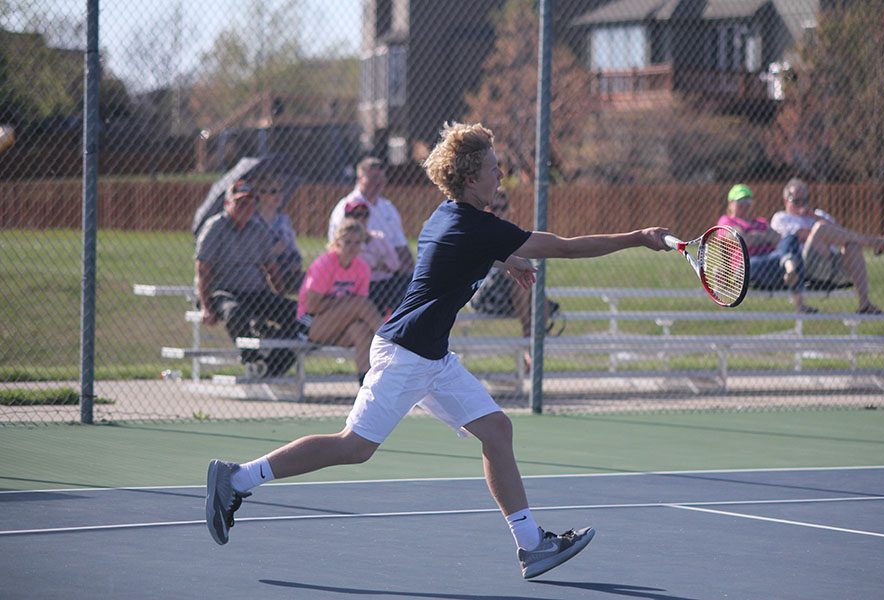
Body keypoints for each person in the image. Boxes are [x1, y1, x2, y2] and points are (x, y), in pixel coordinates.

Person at [206, 122, 671, 579]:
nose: (500, 175)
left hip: (432, 358)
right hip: (404, 354)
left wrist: (505, 257)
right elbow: (563, 248)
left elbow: (464, 249)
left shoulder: (450, 215)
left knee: (496, 430)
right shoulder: (474, 226)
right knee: (354, 447)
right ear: (471, 179)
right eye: (493, 168)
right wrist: (637, 238)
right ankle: (238, 478)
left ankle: (532, 545)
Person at [195, 179, 300, 377]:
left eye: (250, 203)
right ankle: (251, 357)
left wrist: (280, 297)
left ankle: (272, 365)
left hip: (255, 293)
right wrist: (206, 307)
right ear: (228, 204)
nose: (246, 207)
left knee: (298, 314)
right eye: (240, 202)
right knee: (235, 312)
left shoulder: (258, 228)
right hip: (223, 293)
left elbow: (271, 268)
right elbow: (202, 269)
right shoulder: (215, 227)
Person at [770, 178, 884, 315]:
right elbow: (804, 235)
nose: (802, 204)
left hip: (833, 267)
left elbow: (842, 234)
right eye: (796, 201)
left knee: (852, 245)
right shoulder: (781, 218)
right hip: (806, 267)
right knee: (821, 229)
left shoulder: (818, 215)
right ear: (786, 201)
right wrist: (821, 229)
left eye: (805, 200)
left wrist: (815, 217)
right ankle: (876, 243)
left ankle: (864, 304)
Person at [469, 190, 564, 368]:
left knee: (534, 286)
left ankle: (533, 342)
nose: (499, 211)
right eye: (494, 207)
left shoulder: (508, 229)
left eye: (503, 207)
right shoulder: (480, 226)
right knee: (523, 278)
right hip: (483, 294)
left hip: (512, 295)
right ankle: (529, 335)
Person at [295, 218, 384, 386]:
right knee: (359, 304)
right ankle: (391, 339)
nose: (352, 247)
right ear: (337, 242)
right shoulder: (325, 264)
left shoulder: (362, 267)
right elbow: (312, 306)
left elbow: (356, 311)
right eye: (348, 241)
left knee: (361, 330)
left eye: (357, 242)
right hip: (310, 325)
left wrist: (342, 305)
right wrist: (346, 304)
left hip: (339, 327)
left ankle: (365, 388)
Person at [328, 157, 414, 311]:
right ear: (360, 178)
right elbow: (340, 250)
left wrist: (409, 271)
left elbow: (401, 248)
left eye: (381, 178)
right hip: (358, 279)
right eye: (373, 178)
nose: (378, 183)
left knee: (412, 285)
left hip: (387, 277)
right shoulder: (348, 208)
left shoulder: (387, 208)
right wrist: (377, 264)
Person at [717, 183, 815, 313]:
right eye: (740, 201)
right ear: (731, 203)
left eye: (747, 200)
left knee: (791, 238)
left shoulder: (760, 221)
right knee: (792, 258)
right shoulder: (726, 221)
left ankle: (788, 265)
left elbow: (778, 239)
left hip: (772, 264)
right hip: (748, 267)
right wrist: (764, 236)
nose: (745, 204)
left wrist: (753, 236)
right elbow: (743, 241)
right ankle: (791, 274)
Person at [343, 199, 404, 314]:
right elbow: (355, 265)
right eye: (356, 215)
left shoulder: (379, 237)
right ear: (347, 217)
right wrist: (378, 262)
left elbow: (395, 264)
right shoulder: (344, 242)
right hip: (360, 286)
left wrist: (376, 264)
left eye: (365, 215)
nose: (361, 218)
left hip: (384, 284)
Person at [254, 174, 304, 293]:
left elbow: (293, 248)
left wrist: (296, 262)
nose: (279, 195)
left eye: (280, 191)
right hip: (263, 272)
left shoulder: (283, 220)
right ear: (260, 195)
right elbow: (250, 253)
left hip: (286, 269)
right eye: (273, 191)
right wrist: (271, 251)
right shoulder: (253, 221)